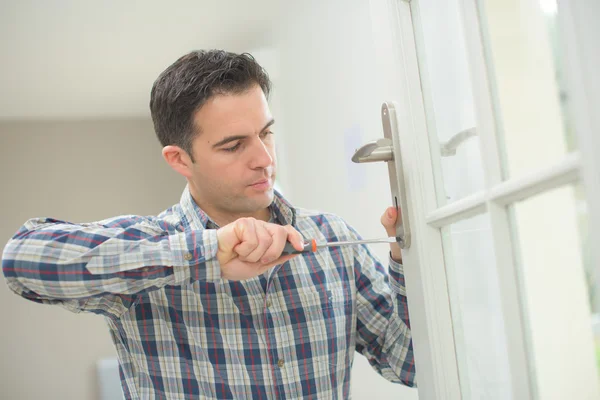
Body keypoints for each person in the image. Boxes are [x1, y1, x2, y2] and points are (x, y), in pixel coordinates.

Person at [2, 50, 416, 399]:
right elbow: (22, 260)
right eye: (234, 145)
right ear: (179, 159)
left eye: (266, 134)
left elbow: (409, 364)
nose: (265, 160)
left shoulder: (330, 238)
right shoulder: (153, 248)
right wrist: (208, 252)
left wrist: (405, 262)